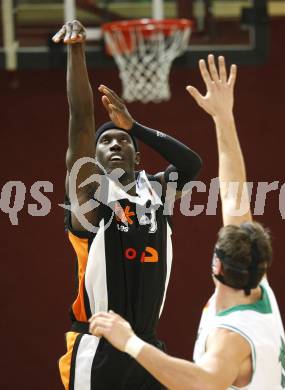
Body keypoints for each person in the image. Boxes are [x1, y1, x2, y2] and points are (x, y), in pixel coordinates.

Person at [89, 54, 285, 390]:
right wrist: (223, 118)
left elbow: (201, 383)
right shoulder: (259, 287)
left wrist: (130, 342)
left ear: (216, 264)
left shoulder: (231, 336)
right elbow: (233, 193)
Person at [52, 20, 202, 390]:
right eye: (106, 143)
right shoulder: (89, 193)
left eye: (123, 142)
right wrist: (76, 51)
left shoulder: (157, 192)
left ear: (138, 159)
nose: (115, 145)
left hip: (146, 346)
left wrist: (135, 127)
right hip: (97, 346)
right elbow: (82, 119)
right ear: (94, 158)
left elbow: (190, 165)